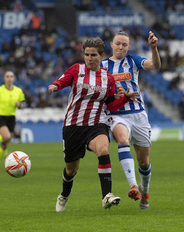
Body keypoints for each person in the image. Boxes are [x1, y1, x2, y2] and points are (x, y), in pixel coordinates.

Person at [48, 37, 140, 212]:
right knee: (71, 170)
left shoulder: (108, 78)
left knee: (104, 150)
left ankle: (107, 196)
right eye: (86, 54)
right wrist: (54, 86)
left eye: (93, 55)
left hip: (97, 123)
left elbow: (111, 104)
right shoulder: (77, 70)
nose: (89, 58)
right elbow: (63, 80)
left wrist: (125, 99)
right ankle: (64, 195)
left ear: (102, 55)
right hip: (73, 125)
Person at [100, 30, 161, 209]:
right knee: (122, 139)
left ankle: (145, 191)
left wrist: (154, 48)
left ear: (128, 47)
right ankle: (133, 186)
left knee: (144, 161)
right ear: (111, 45)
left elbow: (155, 65)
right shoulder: (102, 66)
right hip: (117, 113)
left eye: (124, 44)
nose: (120, 47)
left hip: (138, 114)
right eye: (117, 43)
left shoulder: (133, 61)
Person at [0, 71, 25, 172]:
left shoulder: (18, 91)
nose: (9, 78)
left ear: (14, 78)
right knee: (6, 137)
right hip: (0, 117)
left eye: (11, 76)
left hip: (11, 118)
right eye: (7, 76)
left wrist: (19, 105)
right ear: (4, 78)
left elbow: (21, 107)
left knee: (5, 144)